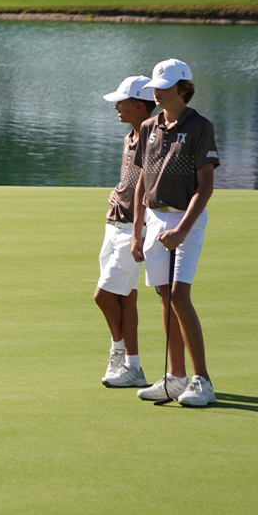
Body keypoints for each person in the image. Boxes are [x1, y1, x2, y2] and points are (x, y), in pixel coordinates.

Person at [130, 58, 220, 407]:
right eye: (155, 88)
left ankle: (202, 381)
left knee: (180, 297)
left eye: (165, 89)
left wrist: (182, 230)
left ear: (184, 89)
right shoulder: (150, 126)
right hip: (154, 220)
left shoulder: (200, 127)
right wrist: (137, 230)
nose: (158, 94)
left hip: (186, 220)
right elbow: (142, 181)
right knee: (165, 299)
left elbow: (206, 186)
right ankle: (175, 378)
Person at [95, 75, 155, 390]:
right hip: (114, 221)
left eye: (122, 101)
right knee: (126, 299)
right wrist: (118, 192)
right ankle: (133, 367)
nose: (116, 106)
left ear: (139, 104)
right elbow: (132, 179)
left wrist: (138, 232)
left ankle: (118, 353)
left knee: (103, 296)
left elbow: (153, 185)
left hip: (135, 228)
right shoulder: (131, 136)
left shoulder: (154, 136)